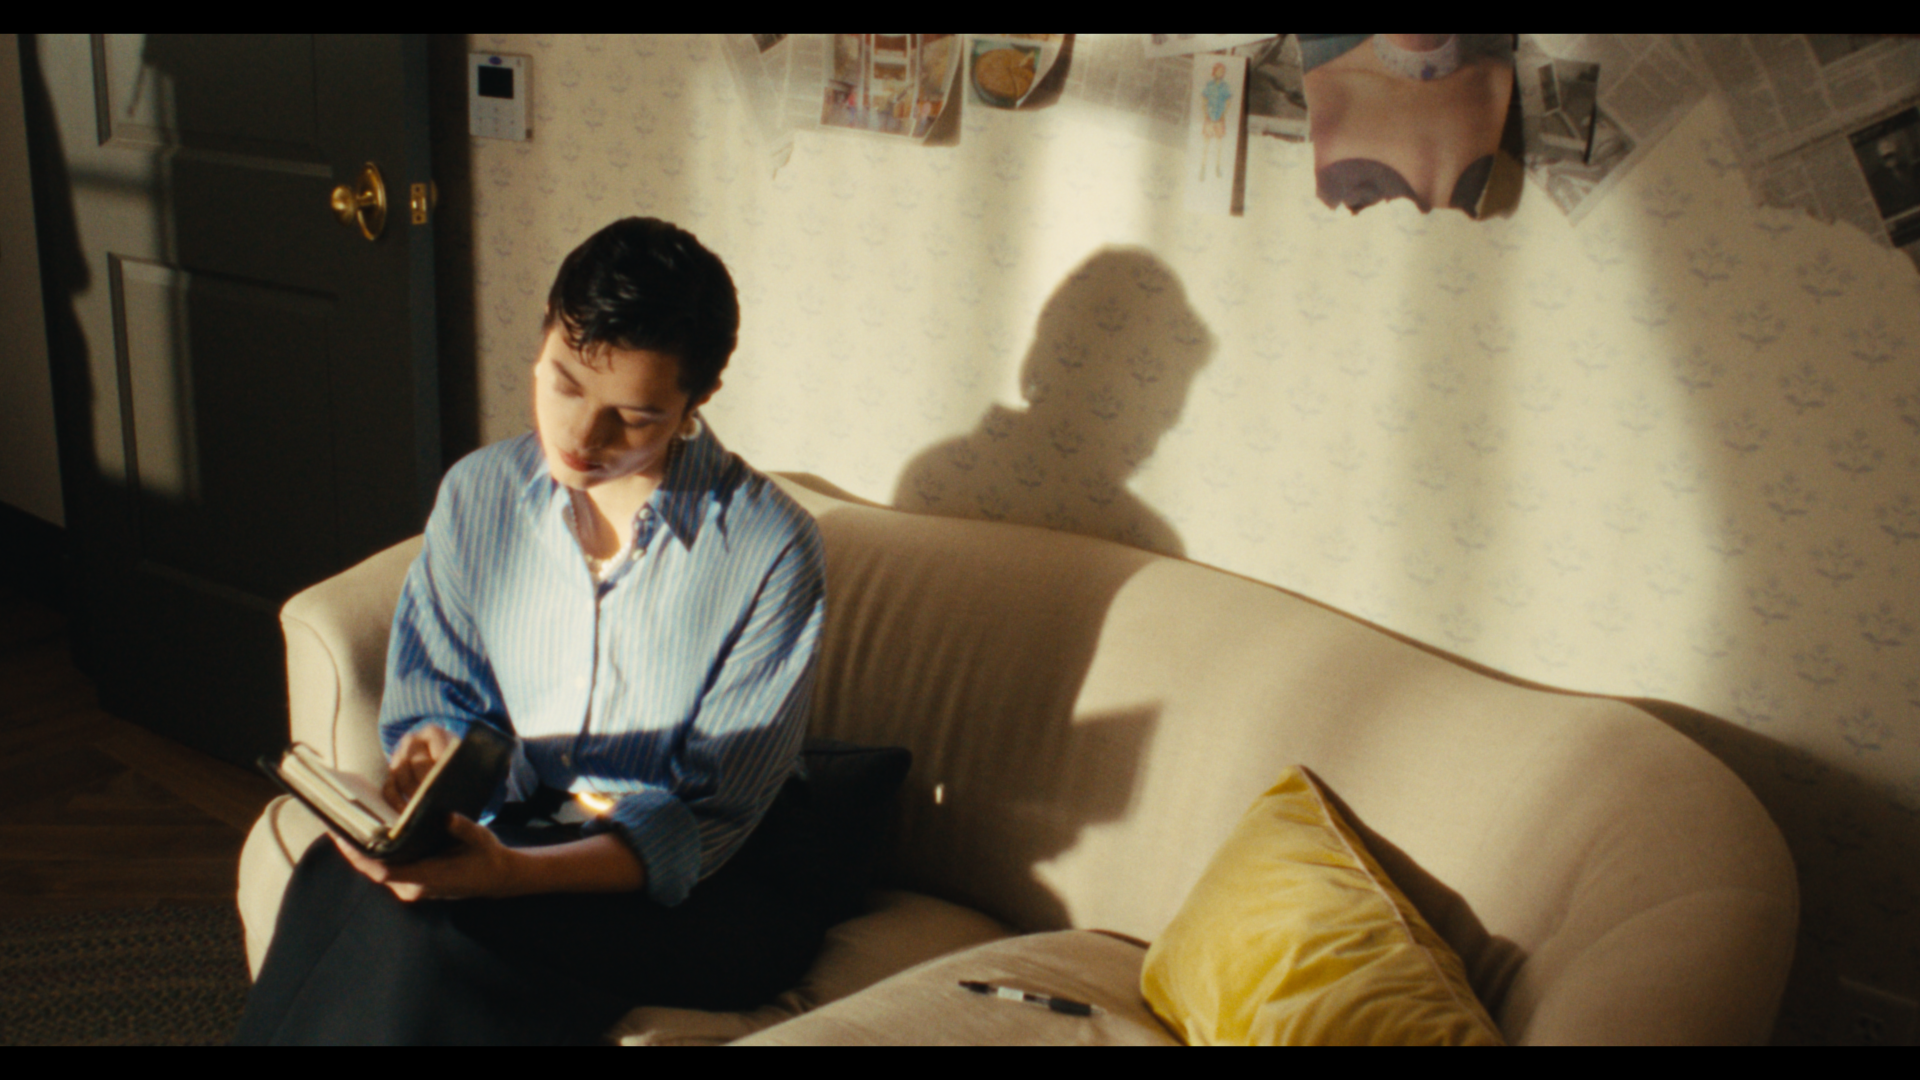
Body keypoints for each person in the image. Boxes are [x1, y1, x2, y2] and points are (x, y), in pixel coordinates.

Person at [236, 217, 831, 1045]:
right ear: (546, 335)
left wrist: (511, 873)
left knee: (444, 935)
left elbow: (706, 821)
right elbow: (441, 697)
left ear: (695, 404)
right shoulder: (480, 495)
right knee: (332, 879)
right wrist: (432, 760)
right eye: (562, 383)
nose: (582, 439)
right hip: (541, 821)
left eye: (635, 417)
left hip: (712, 885)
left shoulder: (771, 549)